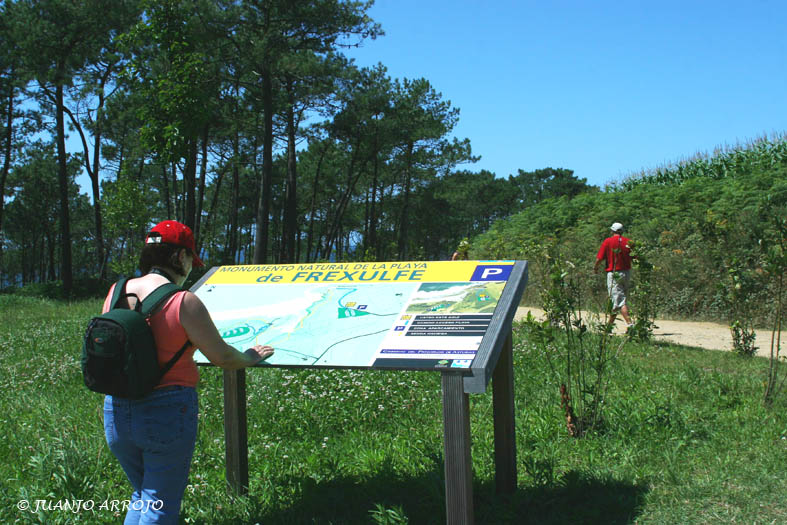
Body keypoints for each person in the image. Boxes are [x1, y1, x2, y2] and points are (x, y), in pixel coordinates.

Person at [102, 220, 274, 524]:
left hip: (116, 411)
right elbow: (223, 357)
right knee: (160, 505)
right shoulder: (183, 302)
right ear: (179, 257)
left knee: (142, 496)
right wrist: (250, 356)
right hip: (165, 413)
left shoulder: (116, 292)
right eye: (189, 261)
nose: (189, 269)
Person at [594, 222, 634, 328]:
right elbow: (635, 257)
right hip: (626, 273)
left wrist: (596, 267)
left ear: (612, 231)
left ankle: (630, 325)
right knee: (617, 299)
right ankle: (609, 326)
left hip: (614, 273)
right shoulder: (629, 242)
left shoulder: (608, 241)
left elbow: (600, 258)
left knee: (619, 300)